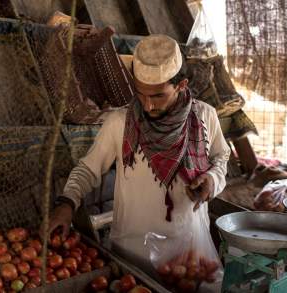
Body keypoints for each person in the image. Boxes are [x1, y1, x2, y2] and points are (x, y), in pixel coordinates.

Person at [47, 34, 230, 263]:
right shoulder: (120, 122)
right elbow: (88, 169)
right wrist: (67, 202)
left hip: (190, 249)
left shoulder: (205, 116)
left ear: (181, 85)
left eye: (158, 96)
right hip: (133, 251)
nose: (148, 105)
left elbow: (221, 158)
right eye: (140, 94)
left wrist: (212, 179)